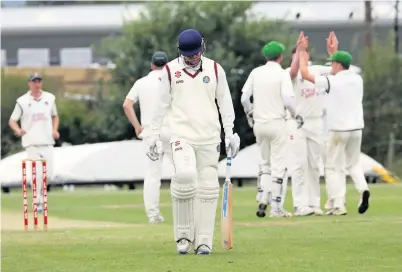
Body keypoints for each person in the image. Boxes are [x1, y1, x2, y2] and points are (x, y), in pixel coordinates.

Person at [145, 29, 240, 255]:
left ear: (202, 47)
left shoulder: (216, 69)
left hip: (209, 138)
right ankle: (183, 236)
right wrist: (153, 135)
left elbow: (225, 103)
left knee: (208, 188)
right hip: (182, 136)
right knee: (186, 175)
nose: (191, 58)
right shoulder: (170, 70)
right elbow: (160, 106)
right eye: (187, 54)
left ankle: (204, 241)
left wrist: (231, 133)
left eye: (195, 53)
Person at [298, 31, 370, 215]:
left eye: (333, 64)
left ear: (338, 65)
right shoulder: (357, 78)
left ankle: (338, 205)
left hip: (338, 129)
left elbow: (305, 74)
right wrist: (334, 53)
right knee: (353, 164)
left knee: (332, 167)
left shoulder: (332, 81)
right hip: (357, 129)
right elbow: (341, 65)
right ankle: (363, 190)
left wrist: (301, 52)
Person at [241, 41, 303, 218]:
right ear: (281, 57)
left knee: (265, 164)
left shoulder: (256, 72)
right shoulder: (282, 74)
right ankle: (276, 207)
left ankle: (263, 198)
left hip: (259, 124)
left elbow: (245, 98)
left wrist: (251, 113)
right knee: (278, 167)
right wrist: (296, 115)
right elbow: (288, 100)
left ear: (265, 56)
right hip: (277, 123)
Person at [123, 51, 171, 224]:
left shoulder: (141, 82)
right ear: (167, 65)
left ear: (152, 65)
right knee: (181, 170)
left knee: (153, 174)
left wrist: (137, 127)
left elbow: (127, 105)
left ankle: (153, 215)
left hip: (151, 133)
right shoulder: (173, 80)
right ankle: (186, 210)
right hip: (172, 131)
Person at [286, 35, 331, 216]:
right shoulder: (290, 73)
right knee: (299, 164)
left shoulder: (317, 70)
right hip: (297, 123)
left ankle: (314, 204)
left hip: (316, 122)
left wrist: (333, 52)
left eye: (304, 52)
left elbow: (336, 71)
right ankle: (299, 204)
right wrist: (299, 50)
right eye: (298, 53)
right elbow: (294, 71)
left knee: (314, 165)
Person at [9, 73, 60, 213]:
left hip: (47, 141)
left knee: (49, 175)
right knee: (37, 174)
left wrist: (55, 130)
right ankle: (38, 202)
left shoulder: (50, 98)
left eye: (39, 81)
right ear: (29, 83)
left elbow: (55, 116)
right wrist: (18, 131)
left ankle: (41, 199)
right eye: (34, 81)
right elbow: (12, 120)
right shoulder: (22, 101)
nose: (37, 84)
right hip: (31, 142)